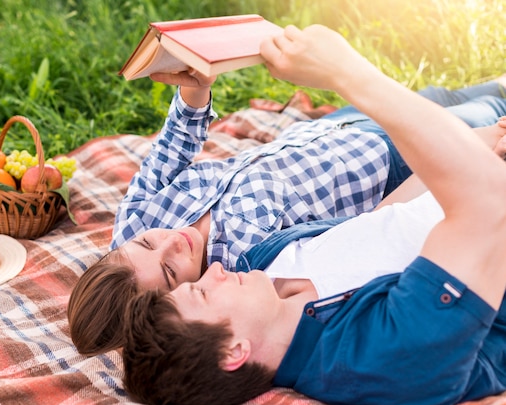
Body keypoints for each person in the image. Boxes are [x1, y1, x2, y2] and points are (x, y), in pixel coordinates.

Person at [121, 25, 506, 405]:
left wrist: (481, 142)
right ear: (234, 351)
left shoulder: (261, 263)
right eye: (202, 293)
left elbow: (383, 221)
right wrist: (345, 72)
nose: (214, 269)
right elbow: (487, 207)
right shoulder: (373, 357)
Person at [68, 72, 506, 356]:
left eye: (147, 242)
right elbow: (353, 238)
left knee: (447, 95)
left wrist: (193, 86)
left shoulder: (135, 225)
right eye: (170, 271)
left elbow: (173, 146)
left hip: (332, 129)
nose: (171, 240)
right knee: (488, 114)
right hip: (389, 162)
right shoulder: (247, 270)